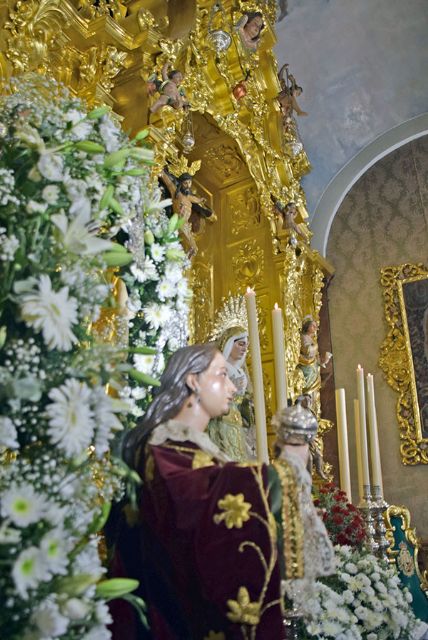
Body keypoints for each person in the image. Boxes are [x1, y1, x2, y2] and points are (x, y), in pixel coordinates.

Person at [110, 343, 308, 639]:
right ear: (193, 381)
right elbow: (195, 502)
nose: (232, 387)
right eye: (221, 375)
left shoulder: (186, 447)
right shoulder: (162, 448)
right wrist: (281, 472)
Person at [207, 326, 256, 461]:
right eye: (240, 344)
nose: (244, 348)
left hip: (237, 419)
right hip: (222, 419)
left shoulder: (239, 371)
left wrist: (247, 402)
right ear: (229, 344)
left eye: (246, 345)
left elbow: (244, 397)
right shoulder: (221, 368)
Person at [160, 170, 214, 257]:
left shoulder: (189, 197)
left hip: (185, 224)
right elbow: (169, 183)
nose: (188, 186)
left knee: (194, 248)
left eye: (189, 183)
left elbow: (197, 200)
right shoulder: (176, 194)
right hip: (177, 222)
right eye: (185, 183)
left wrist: (201, 200)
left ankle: (185, 260)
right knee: (188, 245)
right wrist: (161, 172)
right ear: (181, 184)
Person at [297, 317, 331, 398]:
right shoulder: (303, 337)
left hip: (314, 368)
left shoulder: (311, 339)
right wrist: (315, 346)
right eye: (313, 326)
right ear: (307, 326)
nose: (315, 328)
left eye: (316, 326)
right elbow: (307, 351)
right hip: (308, 368)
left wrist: (324, 361)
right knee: (308, 390)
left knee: (313, 392)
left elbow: (315, 357)